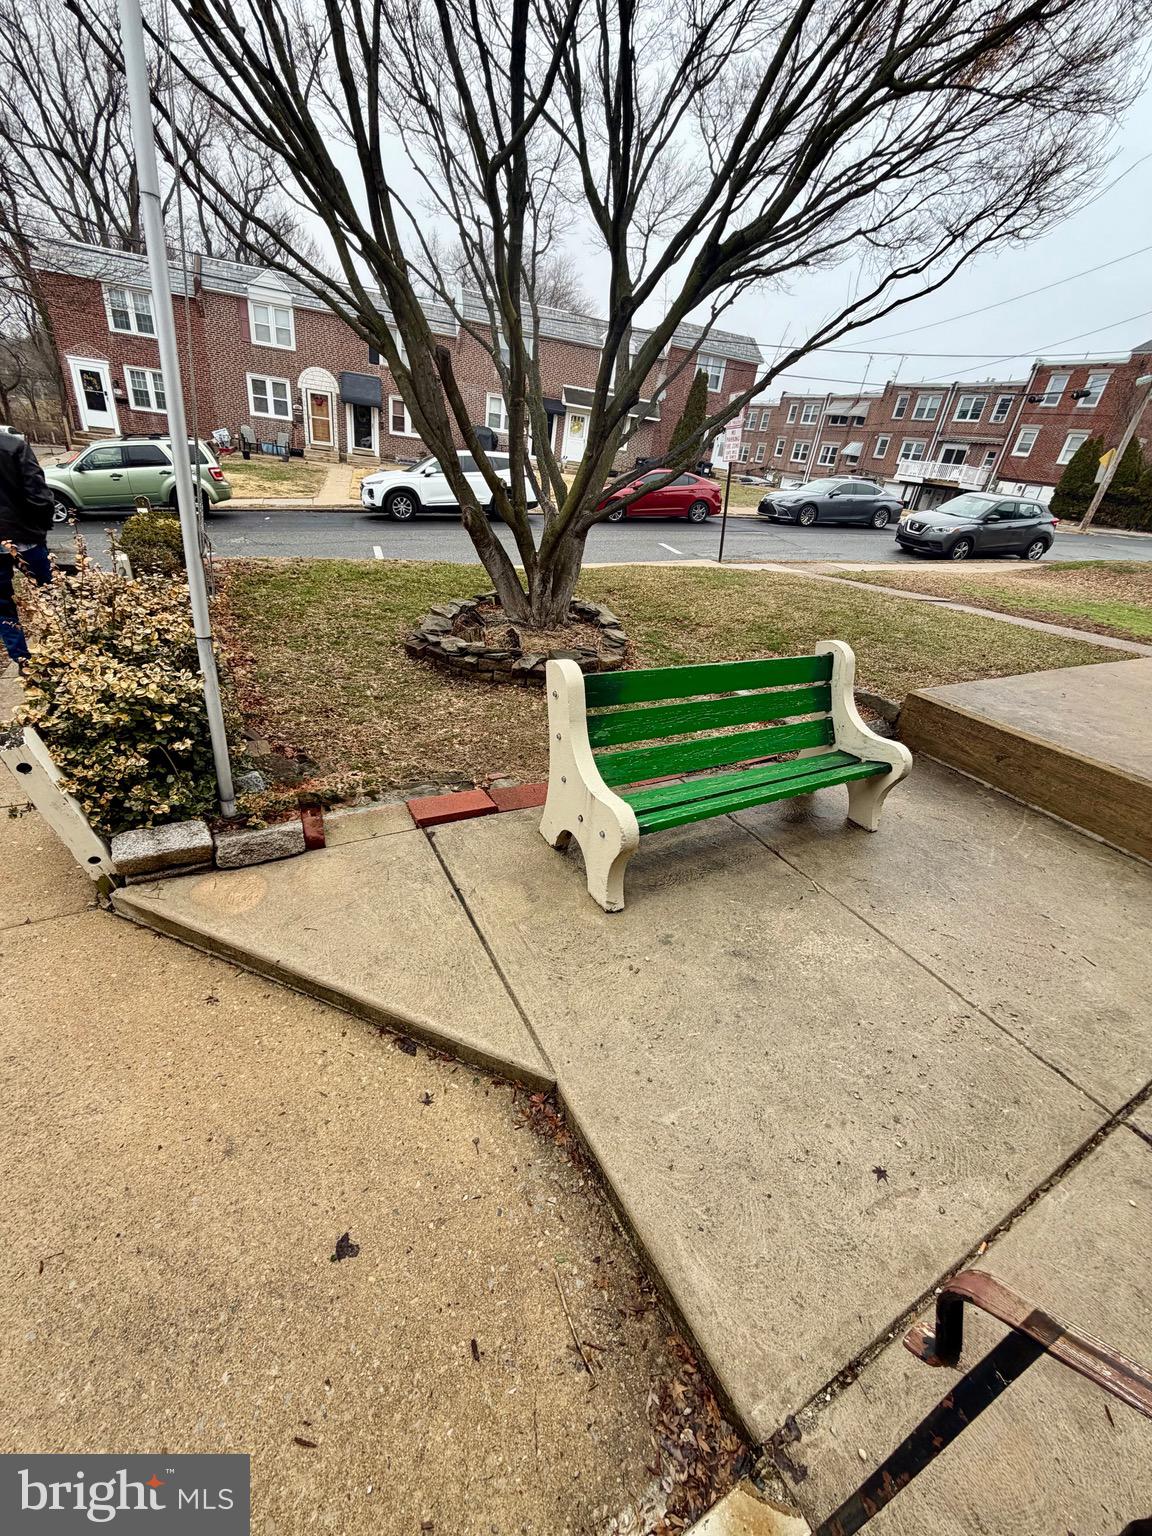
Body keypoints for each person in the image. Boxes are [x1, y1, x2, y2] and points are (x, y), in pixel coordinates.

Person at [0, 429, 55, 670]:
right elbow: (38, 495)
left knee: (2, 605)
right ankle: (58, 646)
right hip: (24, 535)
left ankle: (23, 660)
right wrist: (41, 529)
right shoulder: (13, 446)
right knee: (49, 592)